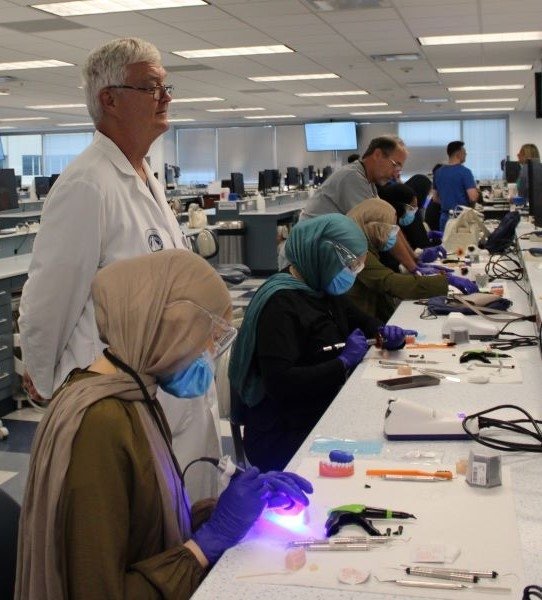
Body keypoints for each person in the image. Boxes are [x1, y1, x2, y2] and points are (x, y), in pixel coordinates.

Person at [15, 250, 313, 600]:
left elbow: (143, 529)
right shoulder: (100, 425)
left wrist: (227, 510)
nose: (208, 353)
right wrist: (205, 545)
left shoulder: (133, 393)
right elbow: (98, 590)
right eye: (207, 337)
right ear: (168, 330)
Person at [18, 38, 218, 500]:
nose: (166, 97)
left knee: (181, 513)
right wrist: (50, 388)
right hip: (114, 398)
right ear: (109, 98)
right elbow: (50, 298)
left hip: (166, 390)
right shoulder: (88, 184)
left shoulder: (142, 173)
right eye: (152, 87)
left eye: (167, 86)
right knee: (139, 530)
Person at [229, 214, 415, 471]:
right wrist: (341, 363)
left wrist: (385, 333)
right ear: (324, 256)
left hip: (319, 407)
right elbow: (280, 383)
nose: (352, 274)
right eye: (349, 266)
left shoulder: (319, 285)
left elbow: (360, 321)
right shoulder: (280, 305)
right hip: (284, 430)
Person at [347, 199, 475, 321]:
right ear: (372, 226)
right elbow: (389, 282)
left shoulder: (365, 245)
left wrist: (417, 265)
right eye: (389, 228)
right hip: (359, 321)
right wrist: (445, 281)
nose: (392, 234)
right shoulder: (356, 251)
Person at [299, 135, 408, 220]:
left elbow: (384, 222)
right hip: (312, 246)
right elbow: (377, 225)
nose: (395, 174)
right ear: (377, 155)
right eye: (395, 165)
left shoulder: (369, 183)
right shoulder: (352, 177)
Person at [433, 141, 479, 230]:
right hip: (461, 218)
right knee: (462, 244)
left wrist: (448, 203)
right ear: (458, 154)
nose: (466, 154)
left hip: (444, 219)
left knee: (446, 243)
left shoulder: (438, 172)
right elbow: (473, 197)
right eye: (464, 152)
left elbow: (435, 198)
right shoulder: (465, 172)